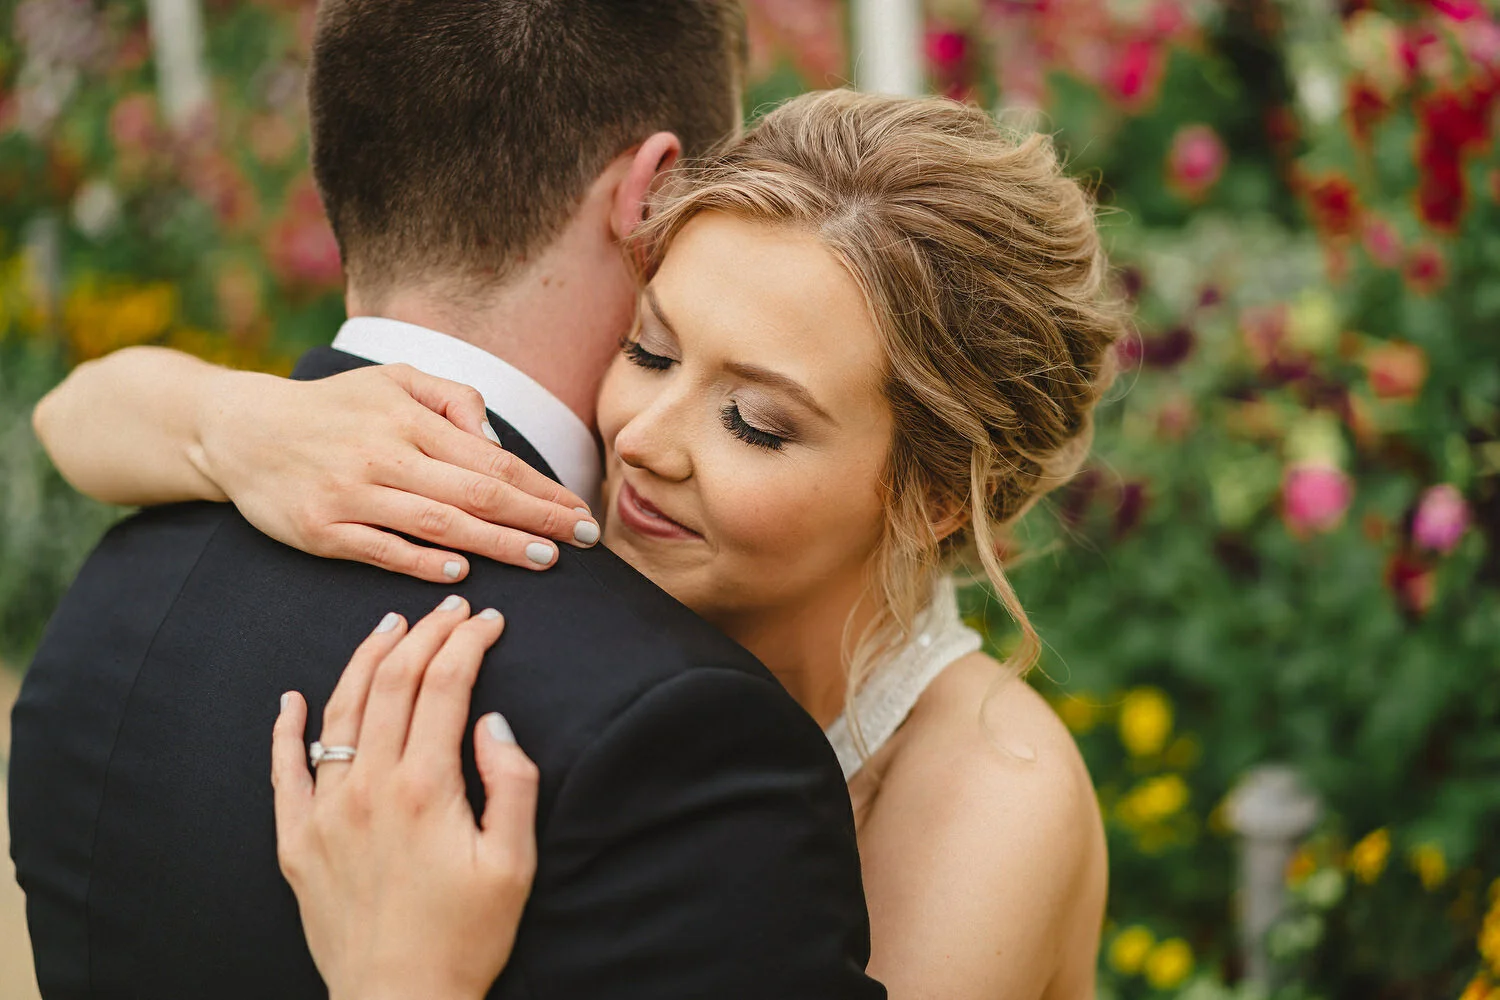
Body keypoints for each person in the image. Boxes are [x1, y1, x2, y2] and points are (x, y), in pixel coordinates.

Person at [32, 87, 1125, 998]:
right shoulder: (624, 523)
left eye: (755, 421)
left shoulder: (993, 796)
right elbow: (77, 418)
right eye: (650, 352)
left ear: (936, 496)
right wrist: (241, 428)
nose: (645, 438)